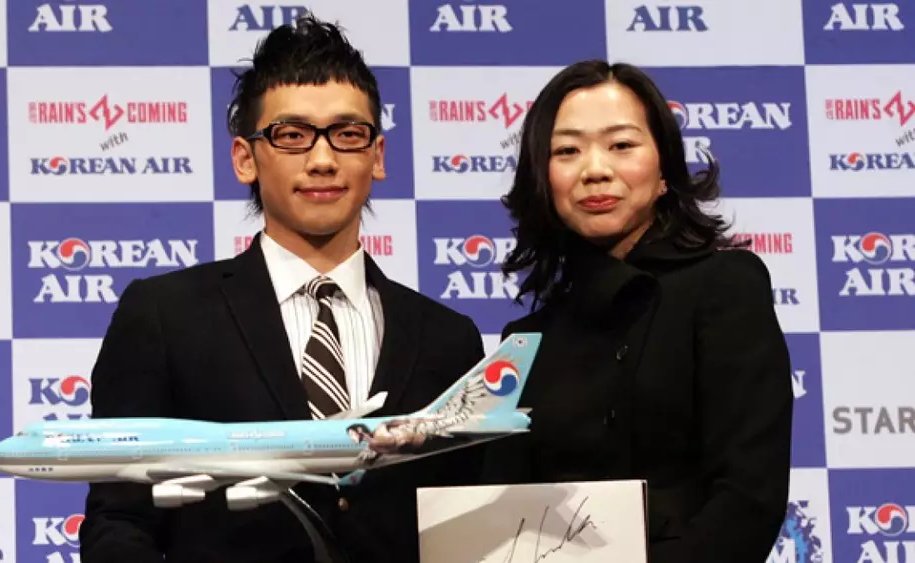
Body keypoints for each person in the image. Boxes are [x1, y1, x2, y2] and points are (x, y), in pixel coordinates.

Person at [79, 13, 485, 563]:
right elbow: (119, 520)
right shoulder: (163, 316)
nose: (323, 160)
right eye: (292, 136)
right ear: (245, 158)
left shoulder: (449, 337)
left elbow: (473, 521)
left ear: (378, 156)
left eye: (348, 134)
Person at [479, 60, 793, 563]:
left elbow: (748, 500)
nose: (595, 169)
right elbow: (500, 517)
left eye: (621, 145)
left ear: (664, 169)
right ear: (542, 177)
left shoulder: (726, 287)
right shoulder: (527, 338)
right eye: (567, 151)